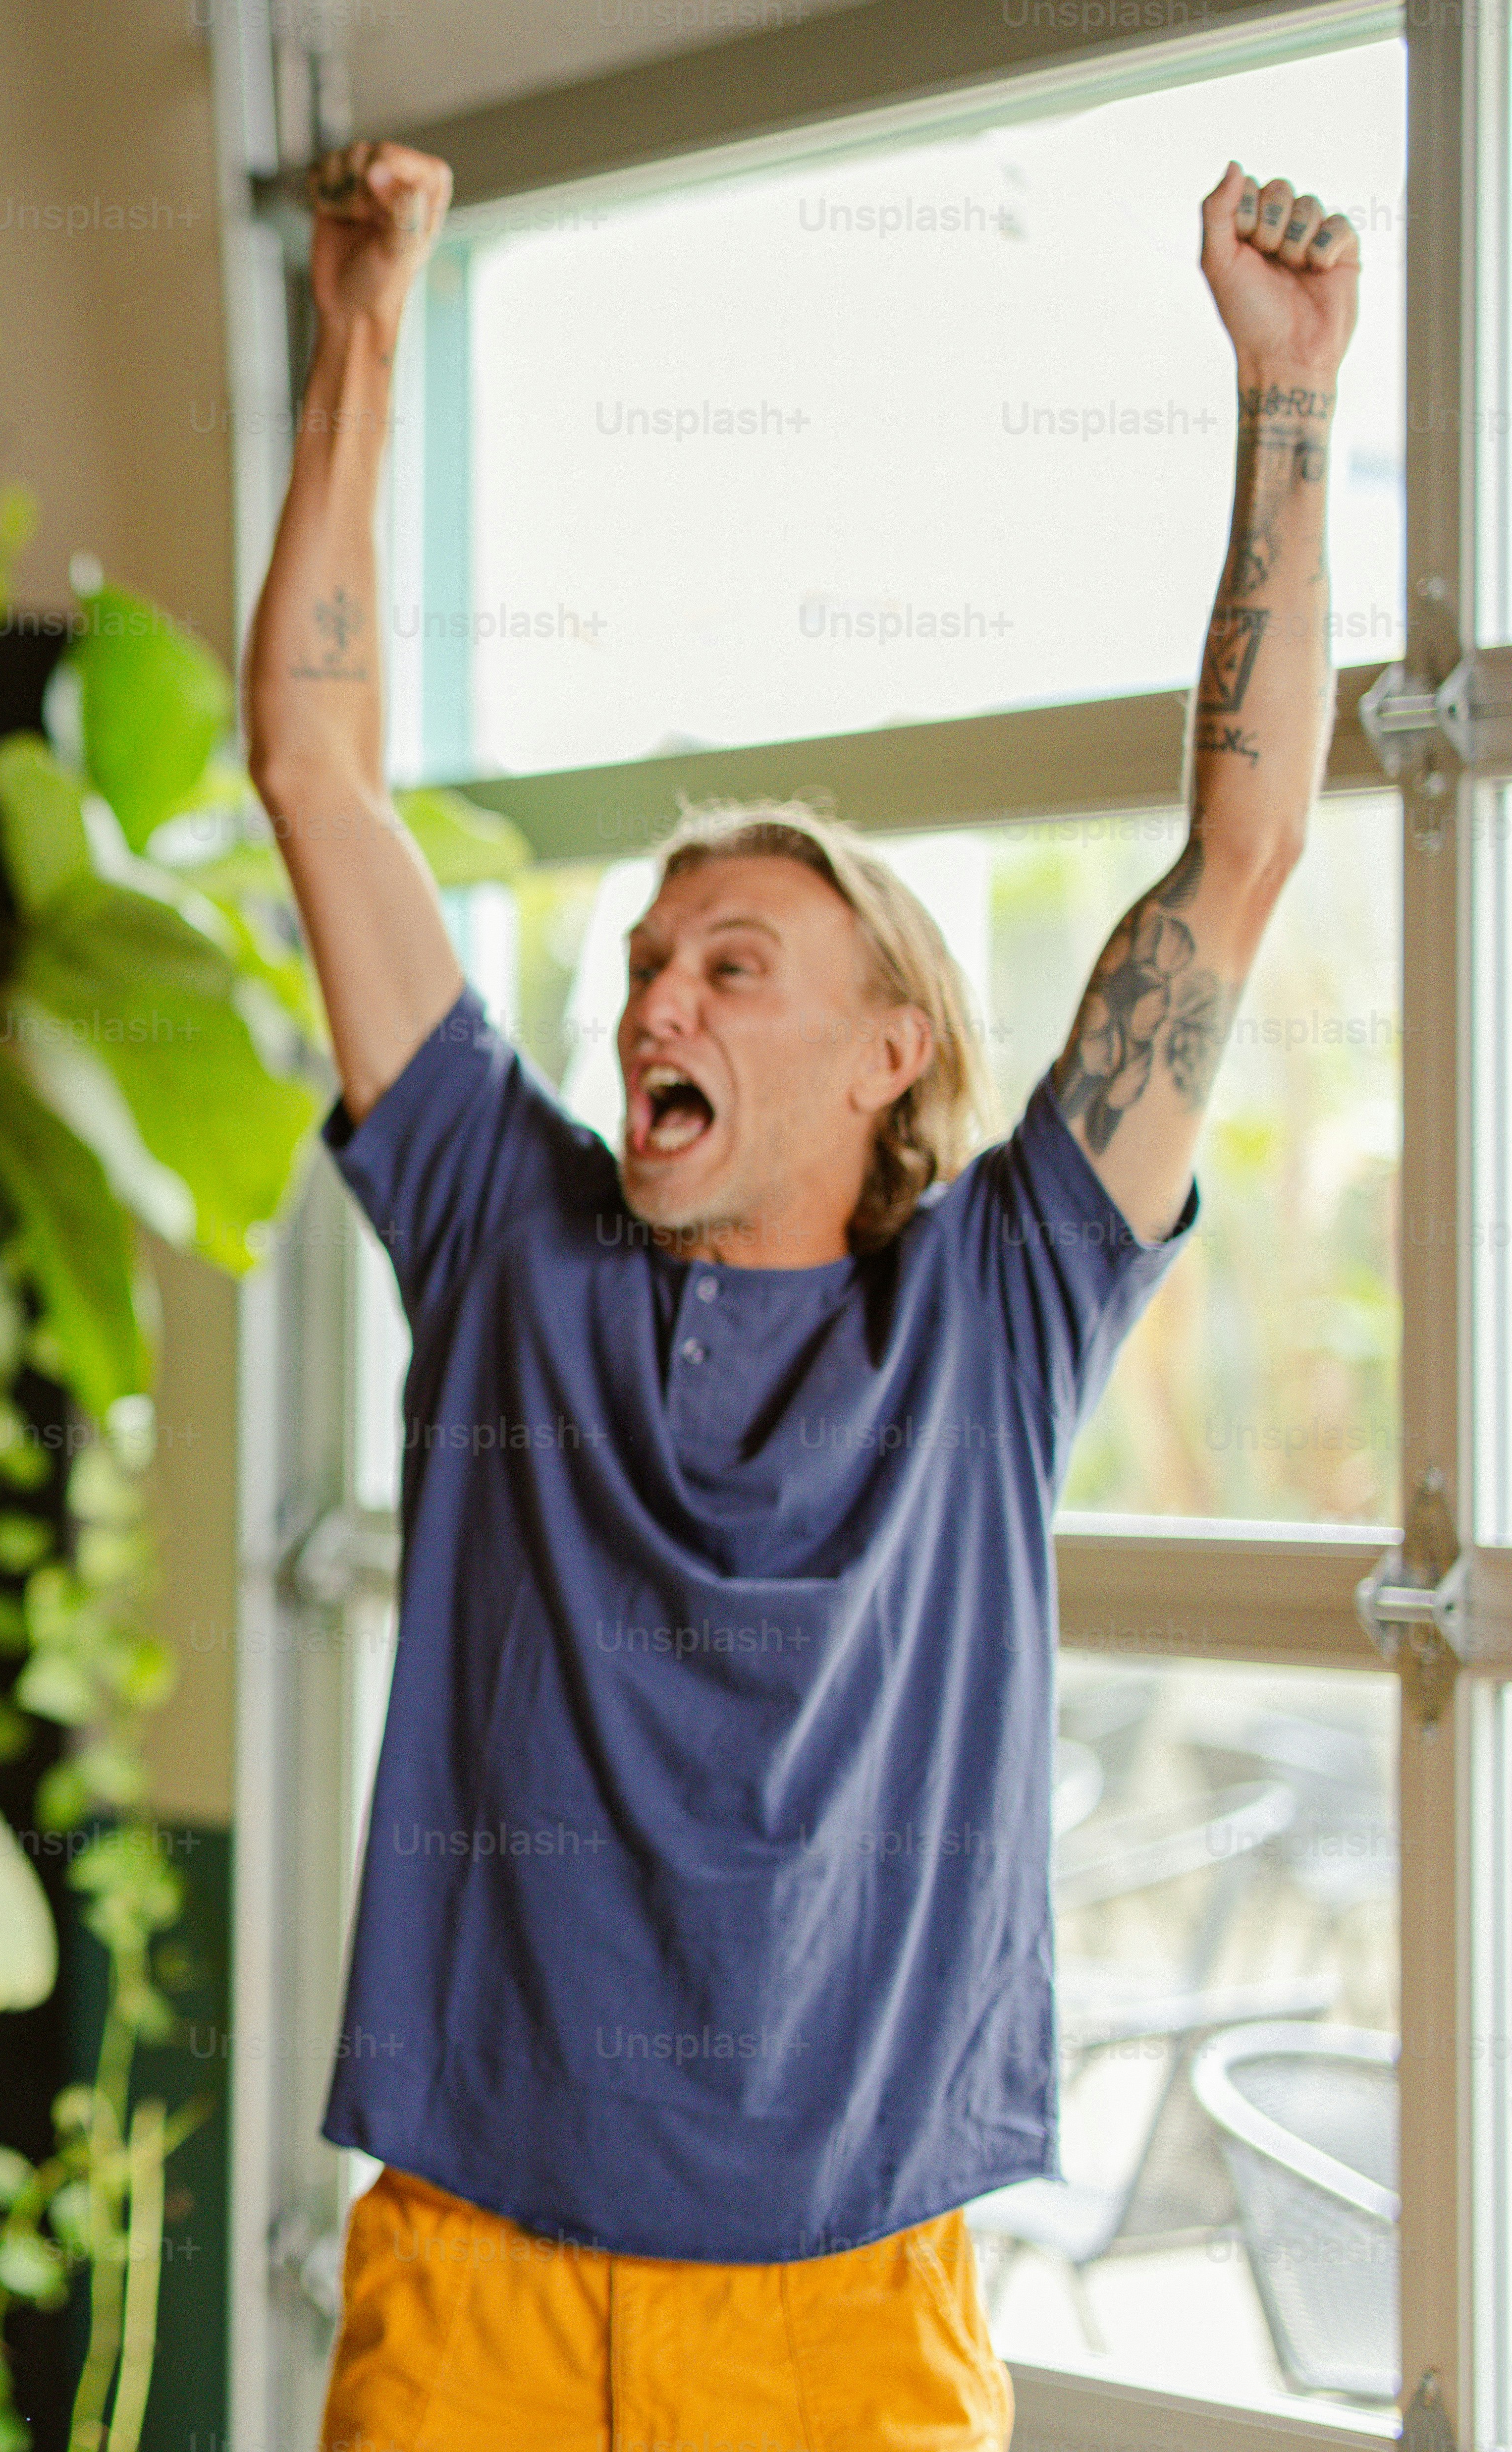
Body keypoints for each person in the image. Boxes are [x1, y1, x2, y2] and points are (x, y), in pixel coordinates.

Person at [248, 140, 1357, 2450]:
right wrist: (359, 326)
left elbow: (1238, 856)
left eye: (728, 964)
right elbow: (312, 768)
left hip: (846, 2323)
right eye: (645, 964)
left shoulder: (1001, 1302)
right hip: (474, 2285)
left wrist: (1282, 399)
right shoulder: (500, 1225)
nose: (656, 997)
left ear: (889, 1056)